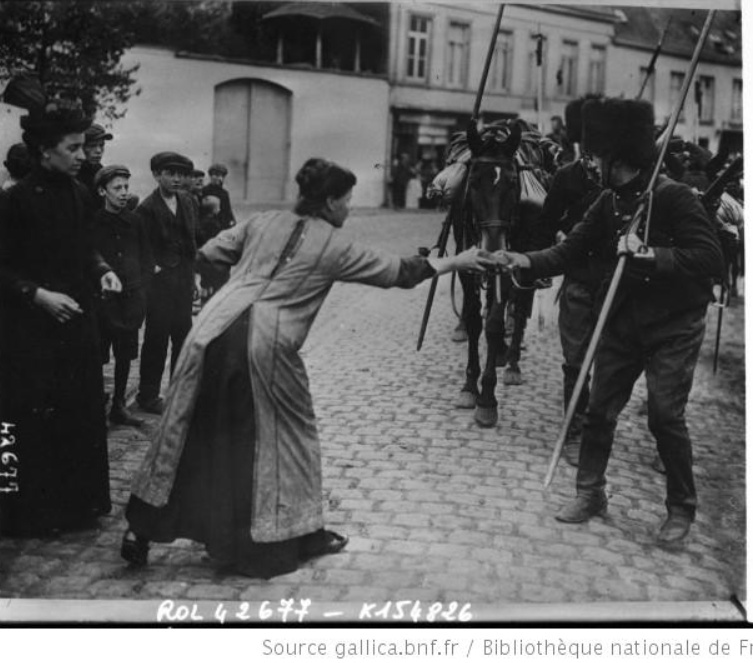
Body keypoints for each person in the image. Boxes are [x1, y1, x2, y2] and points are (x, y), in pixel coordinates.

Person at [120, 157, 494, 577]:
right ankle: (291, 537)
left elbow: (208, 253)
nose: (349, 208)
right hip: (267, 349)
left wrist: (233, 292)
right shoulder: (335, 247)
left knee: (186, 429)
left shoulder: (263, 221)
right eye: (347, 200)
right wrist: (456, 261)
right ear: (330, 201)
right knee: (291, 440)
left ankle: (141, 530)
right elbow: (399, 272)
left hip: (209, 333)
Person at [493, 98, 723, 545]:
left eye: (596, 155)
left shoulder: (672, 196)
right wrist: (520, 258)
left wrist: (650, 255)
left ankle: (681, 508)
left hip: (674, 326)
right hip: (623, 321)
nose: (590, 162)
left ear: (617, 158)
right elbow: (567, 252)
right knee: (599, 410)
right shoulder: (606, 202)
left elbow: (709, 258)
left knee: (663, 415)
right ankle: (590, 492)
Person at [0, 76, 122, 537]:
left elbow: (84, 246)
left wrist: (101, 270)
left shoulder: (80, 193)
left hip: (76, 325)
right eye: (72, 148)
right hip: (28, 331)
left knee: (77, 411)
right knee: (29, 414)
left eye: (81, 148)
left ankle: (77, 506)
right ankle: (28, 513)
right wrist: (38, 295)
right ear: (45, 151)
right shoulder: (13, 202)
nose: (82, 155)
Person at [540, 96, 603, 466]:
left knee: (612, 360)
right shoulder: (567, 177)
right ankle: (575, 425)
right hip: (579, 279)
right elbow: (546, 223)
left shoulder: (633, 180)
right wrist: (563, 234)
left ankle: (598, 425)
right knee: (576, 358)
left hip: (618, 283)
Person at [135, 152, 199, 415]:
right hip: (159, 286)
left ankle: (179, 393)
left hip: (183, 281)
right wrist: (154, 268)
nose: (175, 179)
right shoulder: (147, 209)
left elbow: (192, 241)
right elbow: (140, 248)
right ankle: (148, 396)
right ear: (157, 175)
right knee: (156, 339)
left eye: (180, 174)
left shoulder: (188, 200)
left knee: (183, 337)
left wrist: (194, 276)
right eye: (169, 173)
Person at [91, 165, 154, 427]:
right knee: (99, 353)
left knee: (126, 353)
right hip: (104, 300)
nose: (124, 193)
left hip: (132, 298)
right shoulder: (93, 221)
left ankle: (119, 405)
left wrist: (142, 291)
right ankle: (96, 407)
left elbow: (146, 257)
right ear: (102, 191)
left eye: (126, 187)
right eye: (117, 188)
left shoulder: (135, 221)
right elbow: (89, 256)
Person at [77, 122, 113, 202]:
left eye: (101, 145)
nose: (98, 151)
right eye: (92, 145)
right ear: (81, 146)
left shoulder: (99, 169)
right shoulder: (72, 173)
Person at [201, 163, 235, 231]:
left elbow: (228, 211)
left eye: (222, 176)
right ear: (211, 176)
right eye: (216, 175)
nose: (219, 178)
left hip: (221, 225)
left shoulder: (224, 193)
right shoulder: (204, 191)